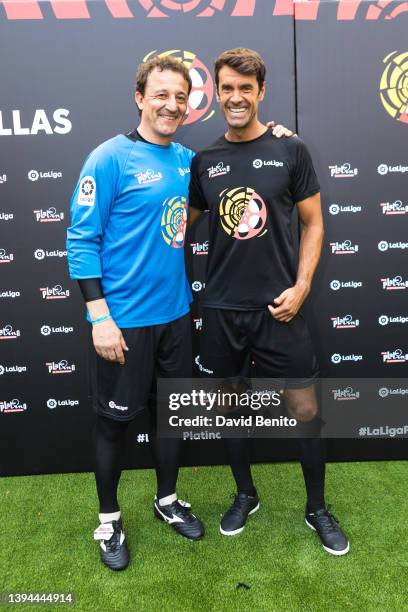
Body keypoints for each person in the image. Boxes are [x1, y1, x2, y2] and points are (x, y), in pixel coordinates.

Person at [67, 54, 293, 571]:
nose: (171, 105)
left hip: (175, 318)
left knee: (172, 421)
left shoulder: (189, 162)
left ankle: (166, 499)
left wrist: (274, 137)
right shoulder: (109, 157)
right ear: (140, 97)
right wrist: (99, 318)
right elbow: (80, 240)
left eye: (181, 97)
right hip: (122, 324)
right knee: (112, 427)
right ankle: (108, 520)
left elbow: (242, 172)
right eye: (161, 95)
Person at [188, 48, 349, 556]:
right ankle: (245, 493)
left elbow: (314, 224)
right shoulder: (204, 161)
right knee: (231, 407)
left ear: (261, 92)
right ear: (215, 92)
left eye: (246, 88)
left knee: (305, 408)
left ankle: (316, 508)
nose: (236, 97)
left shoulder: (290, 149)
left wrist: (302, 287)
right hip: (222, 310)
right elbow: (179, 223)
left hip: (282, 307)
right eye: (227, 88)